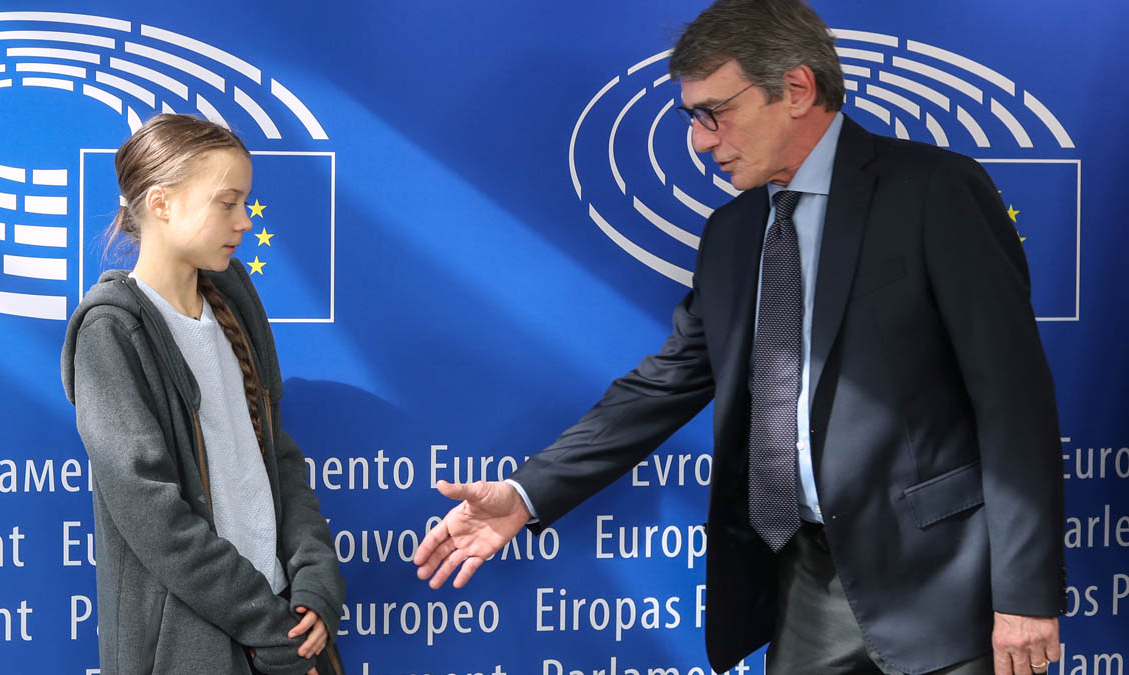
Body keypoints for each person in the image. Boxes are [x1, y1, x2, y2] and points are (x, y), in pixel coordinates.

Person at [413, 1, 1064, 674]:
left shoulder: (934, 191)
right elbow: (660, 386)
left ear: (797, 89)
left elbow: (1013, 400)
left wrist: (1024, 592)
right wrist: (525, 494)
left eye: (714, 112)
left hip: (947, 583)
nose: (699, 141)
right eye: (691, 117)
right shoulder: (730, 234)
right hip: (807, 581)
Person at [61, 114, 345, 675]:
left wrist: (314, 577)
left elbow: (277, 457)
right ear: (162, 202)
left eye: (246, 204)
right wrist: (271, 627)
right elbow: (154, 516)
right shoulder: (112, 332)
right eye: (227, 202)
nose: (244, 221)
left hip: (285, 620)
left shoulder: (235, 303)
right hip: (194, 645)